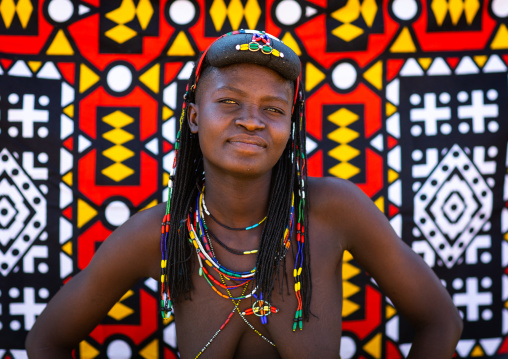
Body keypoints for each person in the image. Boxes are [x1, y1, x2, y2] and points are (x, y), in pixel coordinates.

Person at [26, 30, 462, 359]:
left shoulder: (333, 212)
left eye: (273, 109)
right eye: (230, 102)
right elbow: (47, 339)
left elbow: (439, 321)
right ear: (194, 117)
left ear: (290, 126)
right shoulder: (162, 231)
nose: (252, 121)